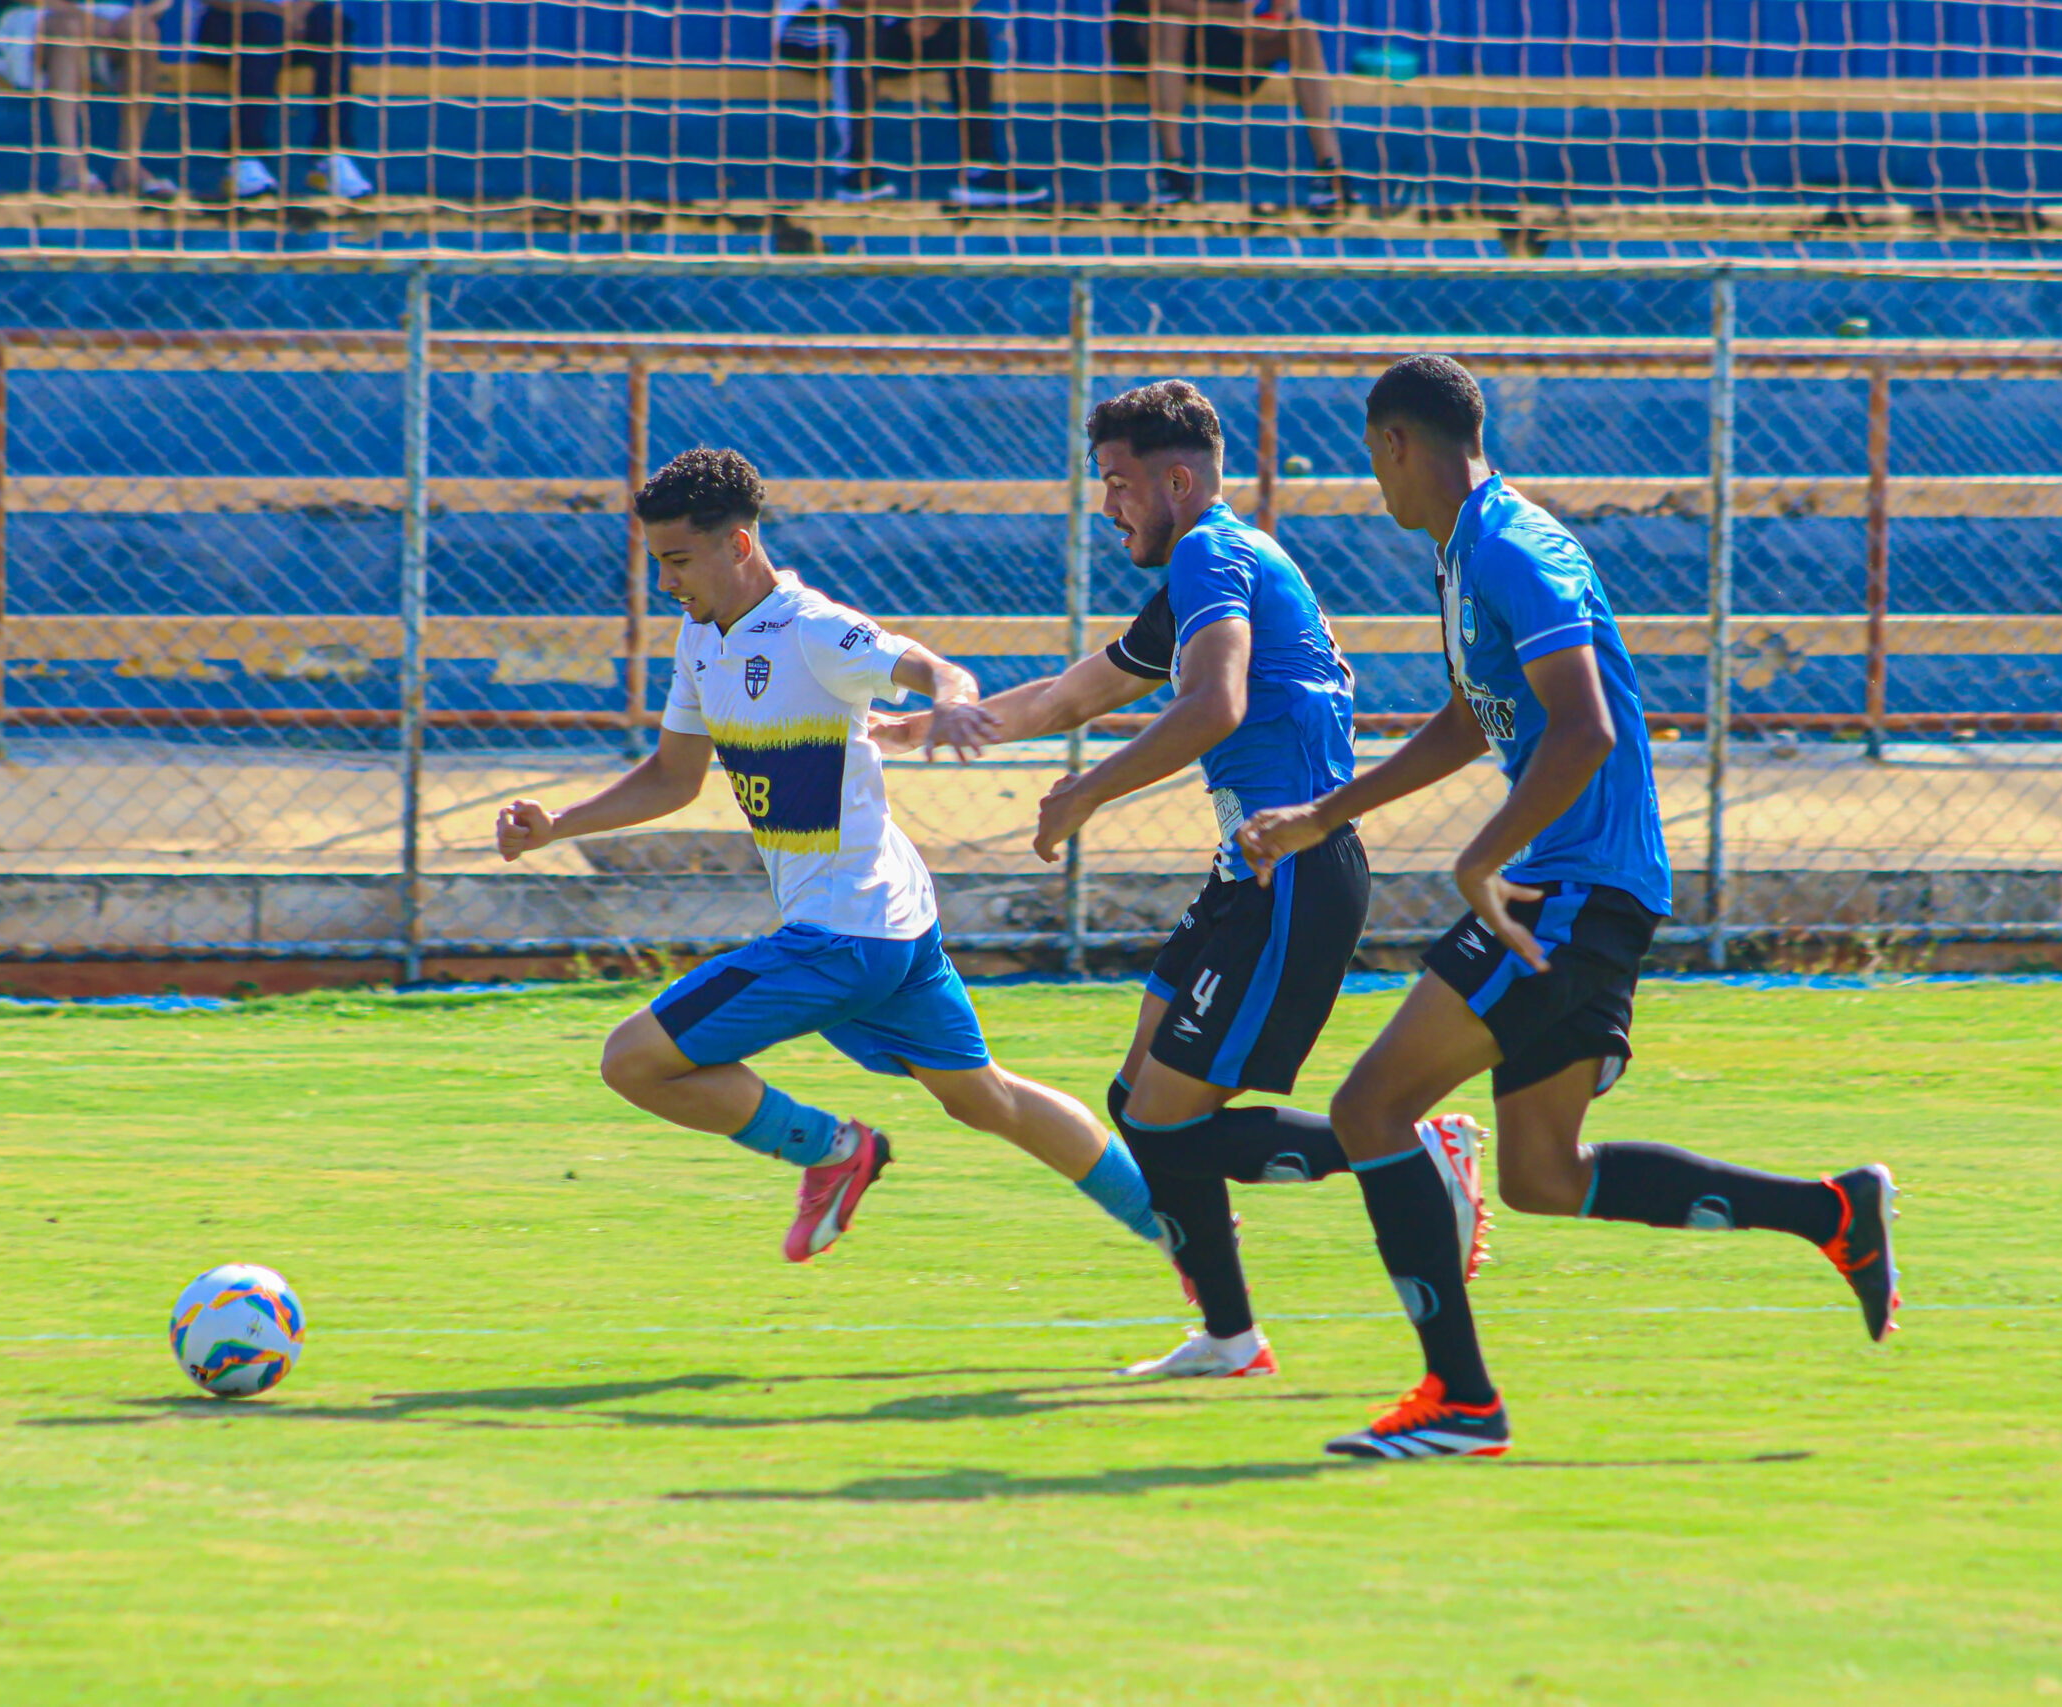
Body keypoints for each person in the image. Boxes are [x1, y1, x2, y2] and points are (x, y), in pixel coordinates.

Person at [1238, 355, 1902, 1462]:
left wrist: (1478, 862)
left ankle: (1459, 1402)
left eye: (1371, 458)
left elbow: (1583, 725)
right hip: (1580, 885)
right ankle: (1831, 1212)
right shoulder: (1468, 553)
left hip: (1565, 888)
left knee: (1368, 1112)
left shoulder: (1510, 546)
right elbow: (1471, 721)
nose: (1374, 484)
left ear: (1397, 444)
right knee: (1542, 1176)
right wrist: (1322, 813)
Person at [877, 379, 1487, 1379]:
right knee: (1138, 1104)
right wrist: (907, 727)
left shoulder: (1212, 552)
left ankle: (1419, 1160)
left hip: (1290, 870)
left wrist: (1085, 796)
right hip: (1248, 871)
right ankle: (1229, 1338)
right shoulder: (1211, 569)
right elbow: (1080, 690)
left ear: (1173, 479)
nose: (1106, 504)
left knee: (1167, 1123)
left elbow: (1212, 704)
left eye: (1116, 483)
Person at [495, 447, 1167, 1266]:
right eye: (657, 562)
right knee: (985, 1098)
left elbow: (927, 664)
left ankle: (833, 1150)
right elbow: (673, 777)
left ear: (738, 546)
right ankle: (1182, 1231)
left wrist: (952, 700)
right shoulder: (701, 637)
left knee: (633, 1061)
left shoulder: (810, 626)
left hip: (842, 939)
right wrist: (556, 825)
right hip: (894, 926)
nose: (667, 582)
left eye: (678, 561)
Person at [774, 0, 1049, 206]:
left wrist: (936, 14)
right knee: (856, 28)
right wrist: (917, 8)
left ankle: (981, 170)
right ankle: (853, 167)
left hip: (895, 27)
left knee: (970, 31)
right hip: (810, 28)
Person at [1108, 0, 1356, 211]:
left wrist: (1275, 19)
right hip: (1149, 37)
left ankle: (1329, 170)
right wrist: (1229, 15)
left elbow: (1284, 7)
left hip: (1220, 37)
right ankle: (1174, 169)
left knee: (1302, 32)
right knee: (1170, 23)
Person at [0, 0, 180, 196]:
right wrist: (90, 21)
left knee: (143, 32)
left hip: (103, 14)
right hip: (34, 12)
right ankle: (70, 163)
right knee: (69, 27)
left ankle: (129, 164)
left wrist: (147, 13)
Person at [191, 0, 374, 201]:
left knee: (333, 23)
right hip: (230, 22)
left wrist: (297, 12)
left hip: (294, 23)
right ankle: (243, 157)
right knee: (265, 25)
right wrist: (278, 13)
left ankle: (331, 157)